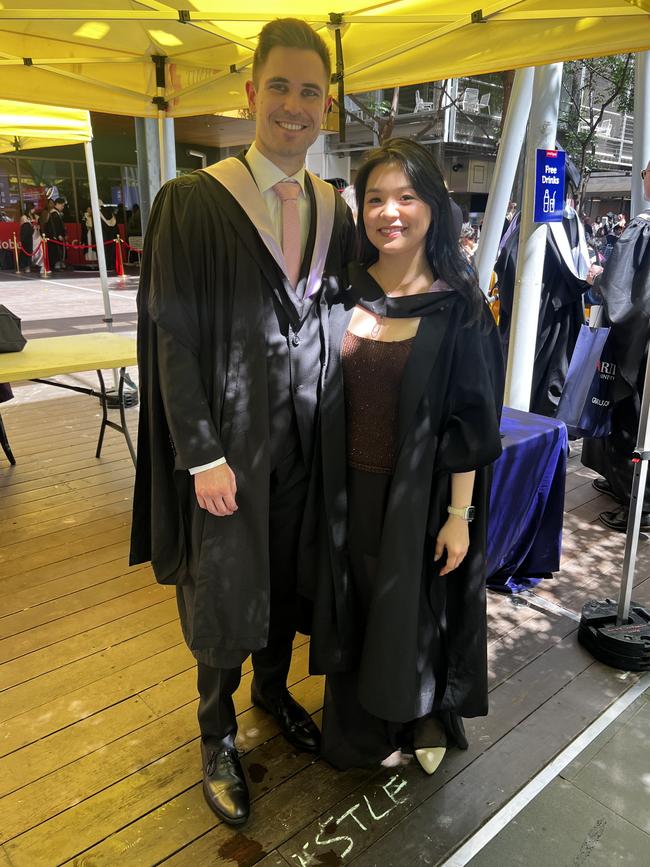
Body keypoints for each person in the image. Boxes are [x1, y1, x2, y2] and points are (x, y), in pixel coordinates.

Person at [130, 18, 355, 827]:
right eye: (282, 87)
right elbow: (173, 337)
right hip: (228, 452)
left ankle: (271, 694)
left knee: (290, 577)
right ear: (251, 92)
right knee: (225, 586)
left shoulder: (336, 209)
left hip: (306, 446)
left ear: (325, 107)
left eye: (311, 93)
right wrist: (200, 454)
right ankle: (215, 728)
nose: (295, 106)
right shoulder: (192, 203)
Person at [301, 139, 503, 774]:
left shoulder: (460, 306)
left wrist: (458, 516)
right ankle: (360, 723)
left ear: (432, 209)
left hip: (420, 498)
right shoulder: (340, 295)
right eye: (375, 199)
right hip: (345, 489)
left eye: (407, 197)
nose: (390, 212)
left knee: (415, 610)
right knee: (356, 602)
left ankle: (421, 716)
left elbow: (471, 424)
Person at [582, 159, 650, 530]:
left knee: (629, 421)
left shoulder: (642, 228)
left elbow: (620, 296)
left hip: (636, 350)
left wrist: (597, 280)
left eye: (645, 173)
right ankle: (627, 488)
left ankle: (638, 505)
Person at [47, 197, 67, 270]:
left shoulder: (56, 213)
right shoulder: (54, 214)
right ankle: (57, 264)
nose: (63, 207)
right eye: (62, 205)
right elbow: (55, 226)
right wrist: (58, 235)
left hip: (57, 236)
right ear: (57, 204)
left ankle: (60, 263)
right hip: (56, 236)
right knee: (56, 250)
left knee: (59, 250)